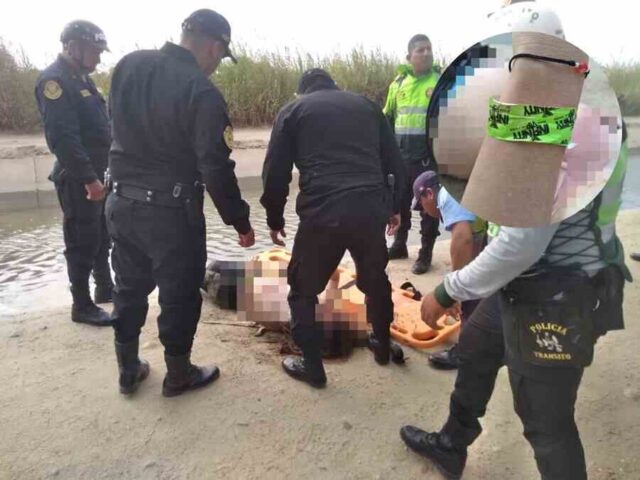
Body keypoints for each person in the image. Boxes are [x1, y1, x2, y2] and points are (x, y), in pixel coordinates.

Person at [106, 9, 255, 397]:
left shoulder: (128, 65)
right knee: (179, 292)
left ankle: (127, 369)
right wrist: (239, 221)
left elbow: (114, 127)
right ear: (213, 45)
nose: (217, 67)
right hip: (171, 213)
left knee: (128, 287)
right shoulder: (200, 90)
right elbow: (214, 166)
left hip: (120, 202)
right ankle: (178, 373)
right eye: (221, 57)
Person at [261, 68, 406, 388]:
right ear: (335, 86)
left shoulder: (293, 110)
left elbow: (275, 172)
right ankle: (381, 345)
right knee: (375, 279)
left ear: (302, 92)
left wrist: (274, 218)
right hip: (369, 208)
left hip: (322, 212)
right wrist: (394, 207)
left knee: (303, 291)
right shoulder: (366, 106)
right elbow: (394, 160)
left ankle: (312, 367)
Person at [34, 20, 114, 327]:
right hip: (80, 178)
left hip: (98, 173)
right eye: (94, 50)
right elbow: (62, 138)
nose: (98, 57)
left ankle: (105, 288)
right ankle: (81, 305)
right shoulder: (54, 81)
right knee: (82, 241)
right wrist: (89, 179)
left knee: (102, 235)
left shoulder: (81, 79)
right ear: (71, 47)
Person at [411, 171, 486, 369]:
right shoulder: (462, 191)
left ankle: (465, 354)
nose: (424, 212)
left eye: (421, 205)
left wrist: (454, 290)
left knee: (470, 300)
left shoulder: (447, 197)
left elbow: (463, 238)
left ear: (428, 193)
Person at [383, 34, 440, 274]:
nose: (426, 53)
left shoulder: (440, 82)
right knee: (400, 203)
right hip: (401, 158)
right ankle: (400, 245)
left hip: (429, 159)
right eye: (420, 50)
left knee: (429, 207)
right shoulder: (398, 84)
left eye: (429, 49)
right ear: (409, 56)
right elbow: (387, 118)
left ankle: (425, 253)